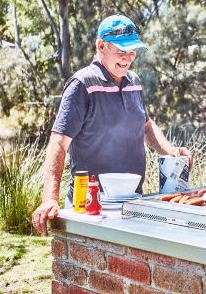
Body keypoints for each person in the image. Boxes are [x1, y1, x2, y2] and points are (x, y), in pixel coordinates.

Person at [32, 14, 191, 235]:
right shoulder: (82, 84)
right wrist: (49, 198)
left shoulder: (134, 82)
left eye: (132, 51)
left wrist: (170, 150)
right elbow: (58, 143)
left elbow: (145, 125)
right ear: (101, 46)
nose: (127, 58)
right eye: (121, 51)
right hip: (91, 210)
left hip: (134, 204)